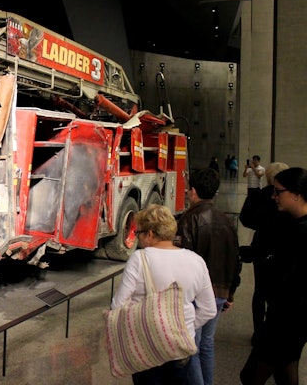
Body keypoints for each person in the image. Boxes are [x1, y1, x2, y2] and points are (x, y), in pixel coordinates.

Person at [111, 204, 217, 385]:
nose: (138, 238)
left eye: (139, 233)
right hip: (181, 347)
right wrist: (184, 326)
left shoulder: (140, 259)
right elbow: (209, 309)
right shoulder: (196, 260)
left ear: (150, 234)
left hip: (147, 347)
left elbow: (118, 306)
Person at [240, 167, 307, 385]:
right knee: (286, 373)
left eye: (278, 191)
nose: (273, 196)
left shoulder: (301, 231)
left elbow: (292, 281)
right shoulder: (289, 221)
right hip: (286, 318)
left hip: (287, 320)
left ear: (296, 194)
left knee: (251, 376)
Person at [175, 168, 240, 385]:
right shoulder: (227, 220)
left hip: (196, 296)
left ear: (193, 191)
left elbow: (183, 261)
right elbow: (236, 260)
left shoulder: (188, 220)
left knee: (191, 345)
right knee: (207, 344)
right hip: (220, 292)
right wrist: (230, 292)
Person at [239, 162, 290, 346]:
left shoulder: (258, 195)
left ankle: (258, 331)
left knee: (259, 290)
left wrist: (260, 225)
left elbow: (245, 218)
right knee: (278, 291)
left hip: (261, 246)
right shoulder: (287, 199)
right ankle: (273, 330)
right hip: (282, 248)